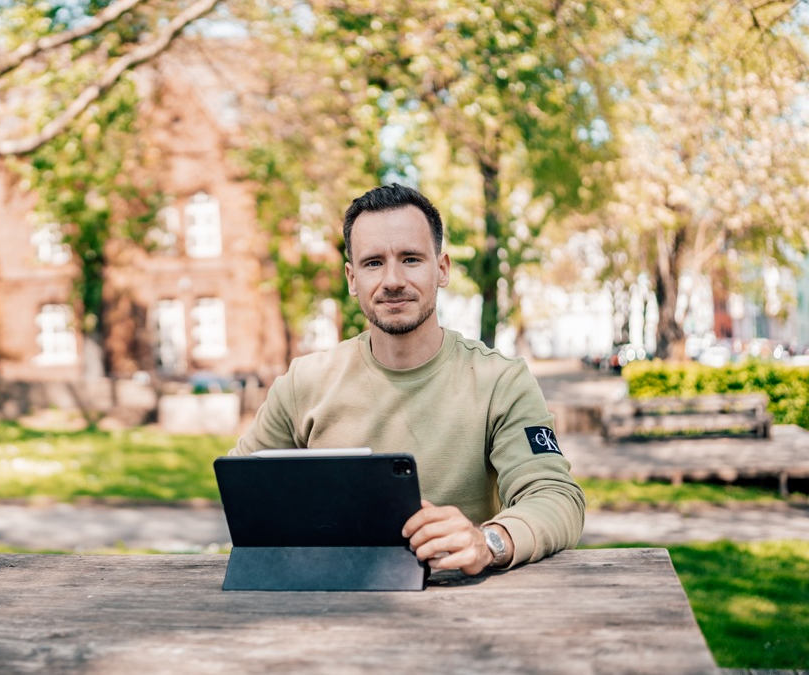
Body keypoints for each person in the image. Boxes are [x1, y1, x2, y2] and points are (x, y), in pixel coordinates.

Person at [230, 183, 585, 575]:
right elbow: (243, 489)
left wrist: (489, 541)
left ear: (442, 268)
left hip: (462, 604)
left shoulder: (500, 381)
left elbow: (555, 495)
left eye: (411, 259)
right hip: (330, 602)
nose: (393, 280)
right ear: (352, 279)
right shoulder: (305, 382)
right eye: (373, 263)